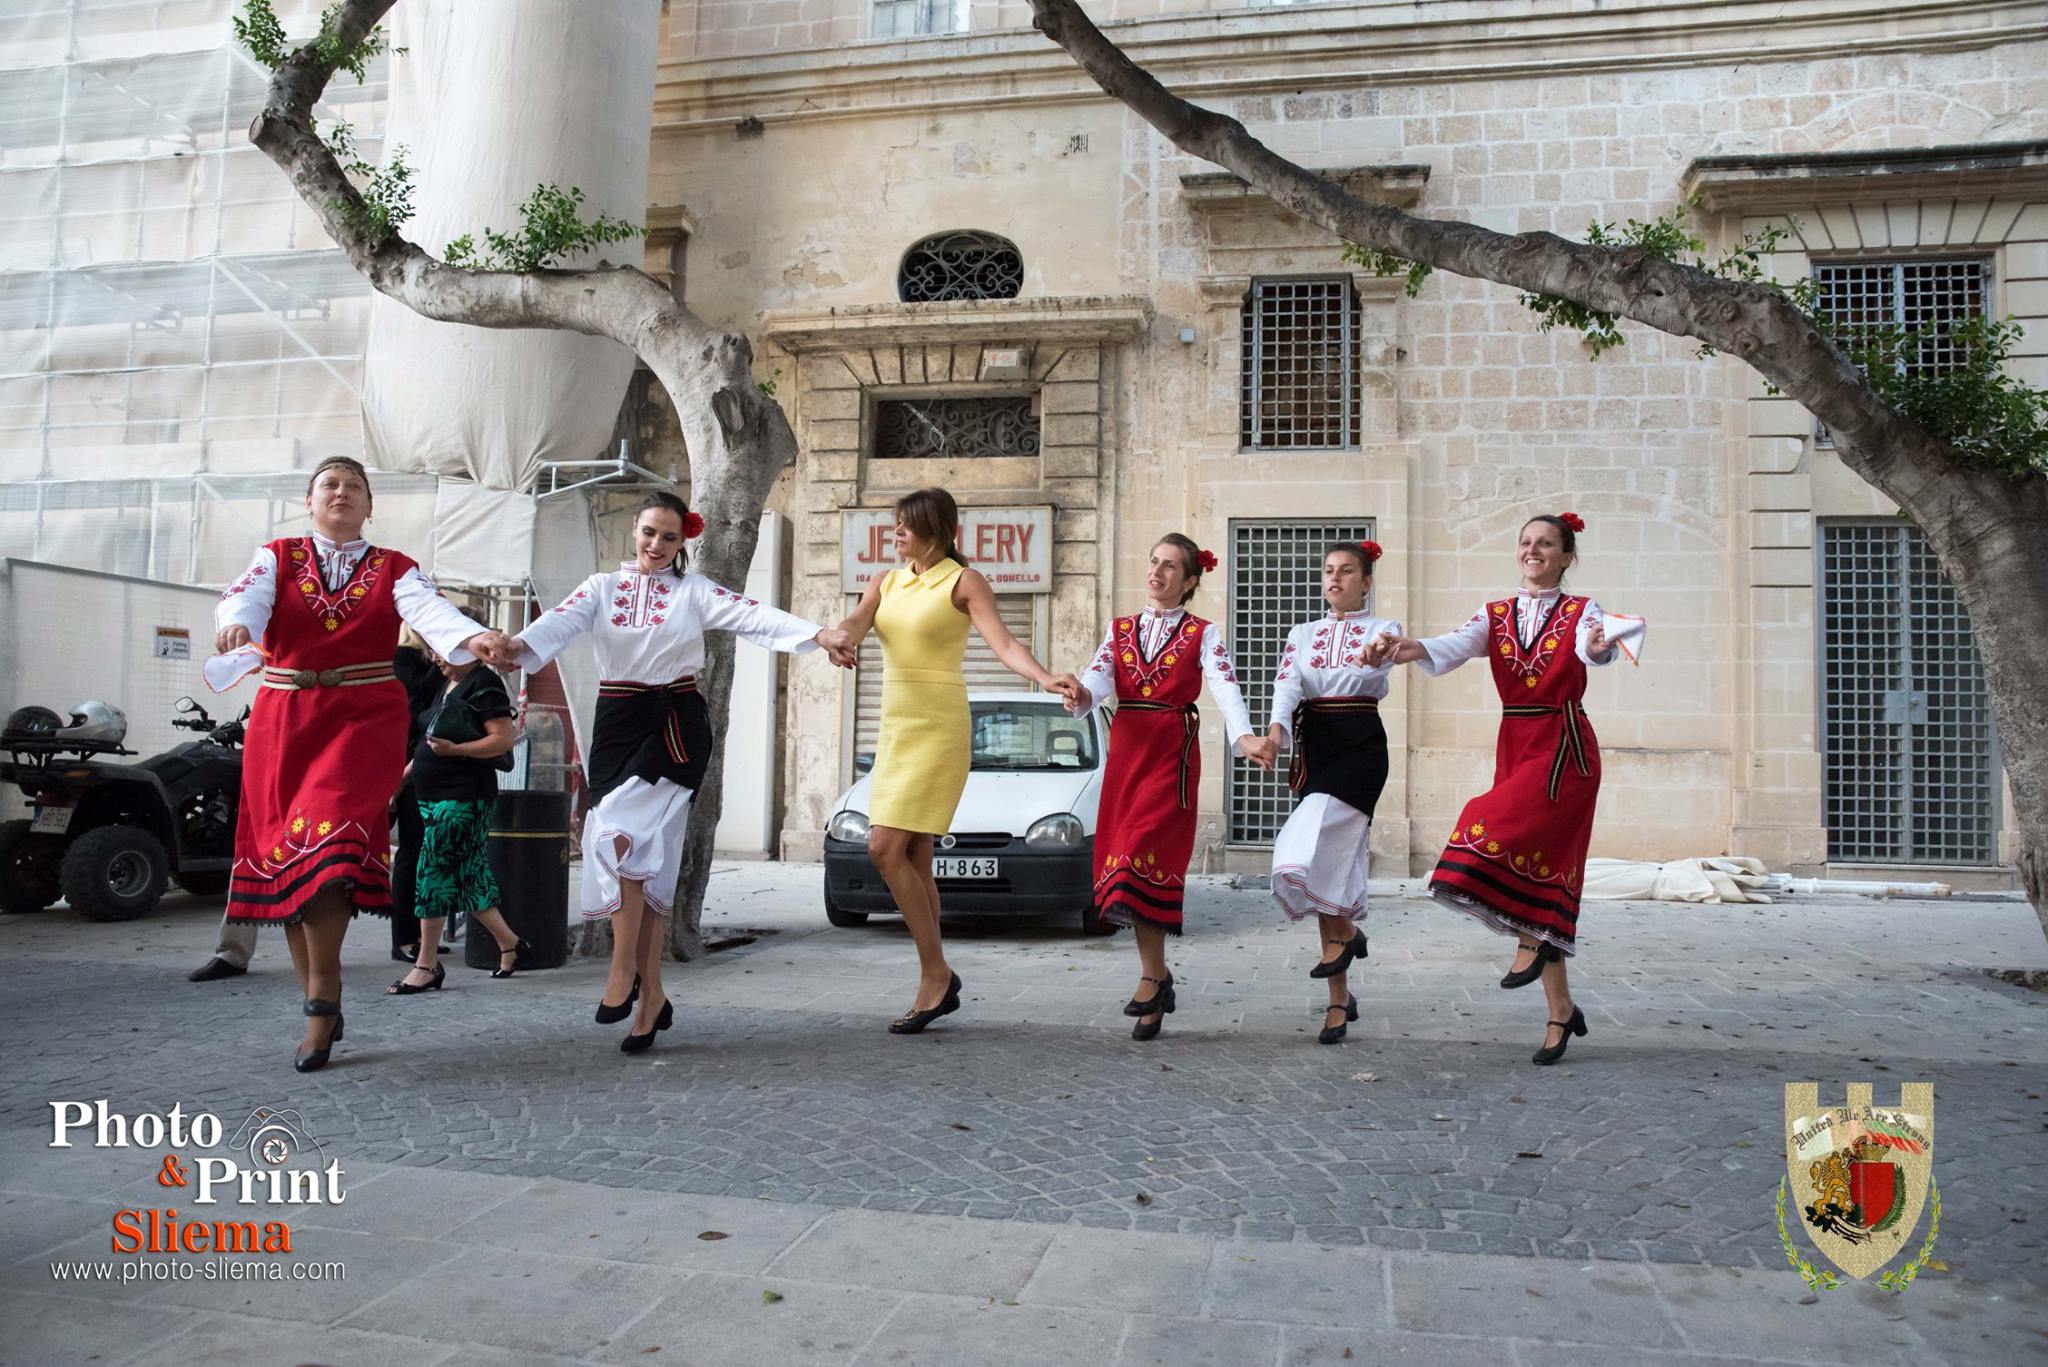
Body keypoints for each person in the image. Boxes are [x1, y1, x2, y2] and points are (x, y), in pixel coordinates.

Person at [509, 492, 855, 1053]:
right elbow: (555, 624)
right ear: (634, 531)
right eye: (649, 532)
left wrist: (818, 634)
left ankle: (623, 970)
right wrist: (513, 645)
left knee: (616, 834)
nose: (656, 545)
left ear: (682, 542)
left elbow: (750, 614)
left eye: (669, 538)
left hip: (674, 725)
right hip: (616, 721)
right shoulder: (600, 589)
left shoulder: (693, 592)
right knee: (641, 862)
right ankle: (652, 998)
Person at [209, 457, 509, 1071]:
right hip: (285, 719)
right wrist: (237, 626)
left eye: (354, 487)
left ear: (370, 506)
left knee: (331, 844)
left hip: (361, 720)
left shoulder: (394, 567)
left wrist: (468, 639)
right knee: (291, 861)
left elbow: (428, 610)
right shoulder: (278, 555)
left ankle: (322, 1003)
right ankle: (322, 996)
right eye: (330, 485)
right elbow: (247, 596)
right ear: (310, 500)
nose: (341, 493)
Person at [1368, 512, 1643, 1065]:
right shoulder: (1496, 613)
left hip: (1563, 744)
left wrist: (1598, 644)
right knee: (1538, 871)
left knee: (1488, 822)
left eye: (1545, 543)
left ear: (1566, 556)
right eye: (1526, 542)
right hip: (1516, 740)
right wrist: (1410, 648)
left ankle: (1527, 942)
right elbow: (1457, 643)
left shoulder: (1581, 610)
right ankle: (1561, 1010)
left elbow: (1597, 650)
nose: (1533, 550)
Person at [833, 488, 1082, 1034]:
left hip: (940, 724)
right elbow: (856, 621)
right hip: (895, 723)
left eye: (904, 526)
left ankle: (936, 974)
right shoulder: (886, 581)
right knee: (915, 854)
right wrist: (839, 638)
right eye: (893, 525)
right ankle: (935, 978)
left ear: (936, 529)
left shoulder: (963, 580)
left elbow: (1004, 644)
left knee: (884, 846)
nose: (895, 534)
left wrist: (1044, 677)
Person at [1067, 534, 1273, 1040]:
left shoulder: (1204, 633)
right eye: (1154, 561)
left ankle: (1150, 978)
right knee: (1127, 869)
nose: (1157, 572)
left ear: (1190, 580)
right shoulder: (1119, 630)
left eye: (1170, 566)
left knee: (1142, 858)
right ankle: (1156, 978)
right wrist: (1077, 693)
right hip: (1127, 757)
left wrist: (1243, 735)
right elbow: (1097, 681)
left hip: (1170, 760)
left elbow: (1224, 684)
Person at [1264, 541, 1401, 1045]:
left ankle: (1344, 939)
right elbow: (1286, 687)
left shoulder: (1385, 629)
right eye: (1328, 571)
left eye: (1347, 571)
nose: (1335, 579)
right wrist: (1276, 732)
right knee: (1327, 864)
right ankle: (1339, 998)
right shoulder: (1302, 633)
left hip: (1361, 745)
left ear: (1366, 581)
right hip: (1316, 746)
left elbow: (1374, 669)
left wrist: (1373, 654)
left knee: (1312, 845)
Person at [387, 647, 532, 995]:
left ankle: (426, 965)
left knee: (431, 873)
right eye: (434, 650)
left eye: (445, 651)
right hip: (431, 795)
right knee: (469, 878)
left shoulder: (485, 684)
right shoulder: (447, 683)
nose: (436, 658)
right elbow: (430, 737)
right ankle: (512, 946)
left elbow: (502, 740)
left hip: (464, 796)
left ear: (472, 651)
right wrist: (402, 779)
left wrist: (456, 751)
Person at [388, 626, 451, 964]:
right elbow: (413, 713)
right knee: (412, 852)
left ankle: (422, 937)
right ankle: (404, 938)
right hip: (405, 767)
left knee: (423, 852)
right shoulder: (405, 660)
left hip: (420, 766)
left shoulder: (424, 662)